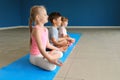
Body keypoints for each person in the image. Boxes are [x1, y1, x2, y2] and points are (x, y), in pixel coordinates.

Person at [29, 5, 63, 71]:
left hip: (43, 53)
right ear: (38, 17)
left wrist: (58, 48)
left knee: (60, 53)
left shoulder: (45, 29)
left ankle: (48, 56)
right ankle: (49, 57)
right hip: (35, 56)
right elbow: (41, 48)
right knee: (52, 67)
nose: (47, 16)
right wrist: (50, 58)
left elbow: (47, 45)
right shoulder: (36, 30)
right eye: (45, 15)